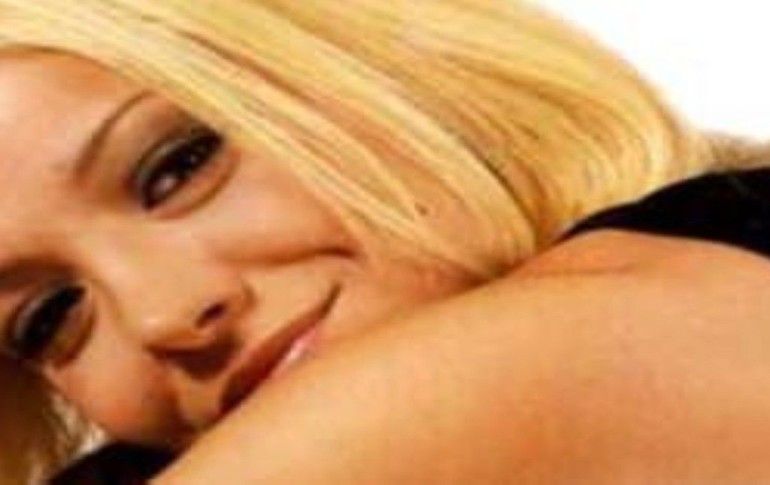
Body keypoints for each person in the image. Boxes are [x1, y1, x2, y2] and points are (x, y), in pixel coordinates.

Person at [0, 1, 769, 483]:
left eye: (179, 168)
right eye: (48, 315)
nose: (163, 314)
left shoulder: (682, 293)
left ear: (373, 68)